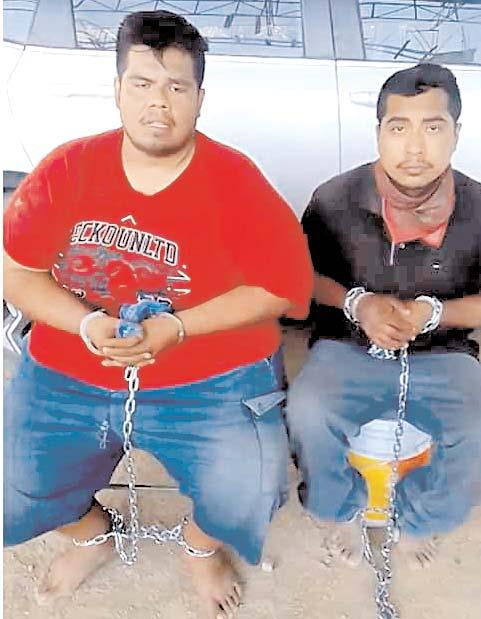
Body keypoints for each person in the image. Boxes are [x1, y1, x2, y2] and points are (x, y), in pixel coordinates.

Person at [3, 11, 312, 618]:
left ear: (200, 98)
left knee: (249, 490)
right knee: (13, 488)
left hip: (211, 373)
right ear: (118, 89)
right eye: (142, 83)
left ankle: (199, 548)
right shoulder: (68, 168)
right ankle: (92, 534)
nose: (159, 103)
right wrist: (85, 323)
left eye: (177, 87)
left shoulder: (236, 180)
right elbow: (16, 272)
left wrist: (180, 326)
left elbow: (282, 289)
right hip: (73, 366)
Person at [287, 63, 481, 569]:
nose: (414, 148)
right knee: (309, 411)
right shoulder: (334, 200)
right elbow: (300, 277)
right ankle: (340, 509)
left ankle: (422, 518)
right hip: (349, 347)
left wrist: (435, 313)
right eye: (399, 128)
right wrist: (358, 303)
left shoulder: (480, 207)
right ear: (378, 133)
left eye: (432, 127)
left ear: (456, 132)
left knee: (478, 428)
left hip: (444, 353)